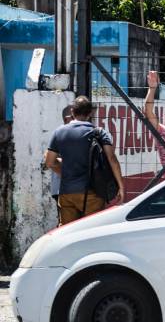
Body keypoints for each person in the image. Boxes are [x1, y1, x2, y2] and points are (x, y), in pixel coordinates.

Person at [44, 96, 125, 225]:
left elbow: (49, 162)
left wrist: (64, 167)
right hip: (93, 194)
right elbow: (112, 159)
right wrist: (120, 187)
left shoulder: (59, 132)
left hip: (67, 193)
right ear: (90, 113)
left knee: (67, 233)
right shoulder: (98, 133)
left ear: (72, 112)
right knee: (91, 232)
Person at [49, 104, 74, 208]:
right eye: (74, 117)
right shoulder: (62, 135)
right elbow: (52, 161)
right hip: (63, 189)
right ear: (66, 119)